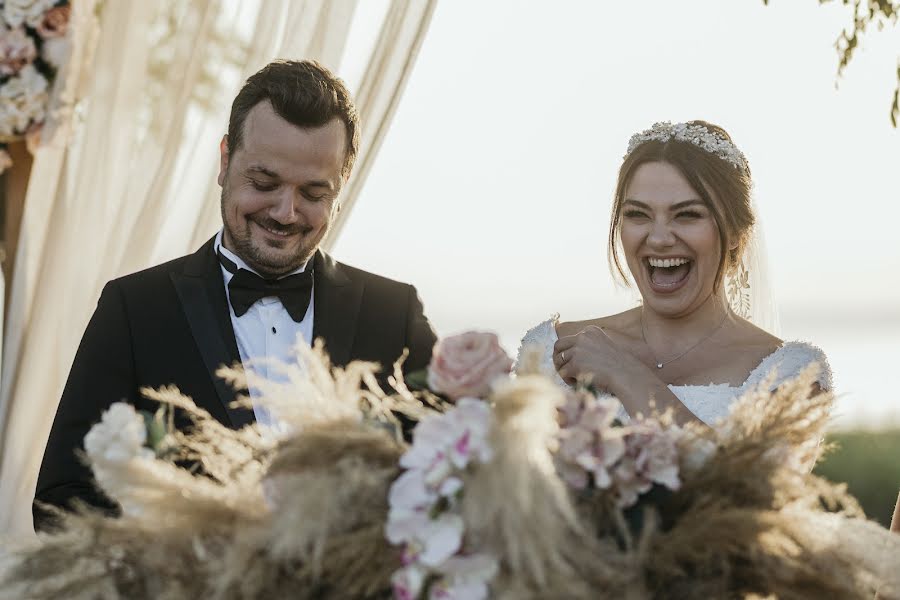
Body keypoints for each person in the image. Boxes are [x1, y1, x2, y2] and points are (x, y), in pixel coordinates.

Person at [34, 60, 437, 530]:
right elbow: (62, 500)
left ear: (342, 186)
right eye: (263, 183)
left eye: (312, 192)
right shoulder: (134, 308)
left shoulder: (394, 313)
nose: (285, 212)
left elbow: (459, 480)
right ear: (224, 161)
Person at [517, 120, 830, 425]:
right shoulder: (551, 352)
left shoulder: (791, 374)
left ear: (737, 233)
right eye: (638, 214)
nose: (659, 238)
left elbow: (742, 478)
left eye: (687, 215)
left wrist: (627, 375)